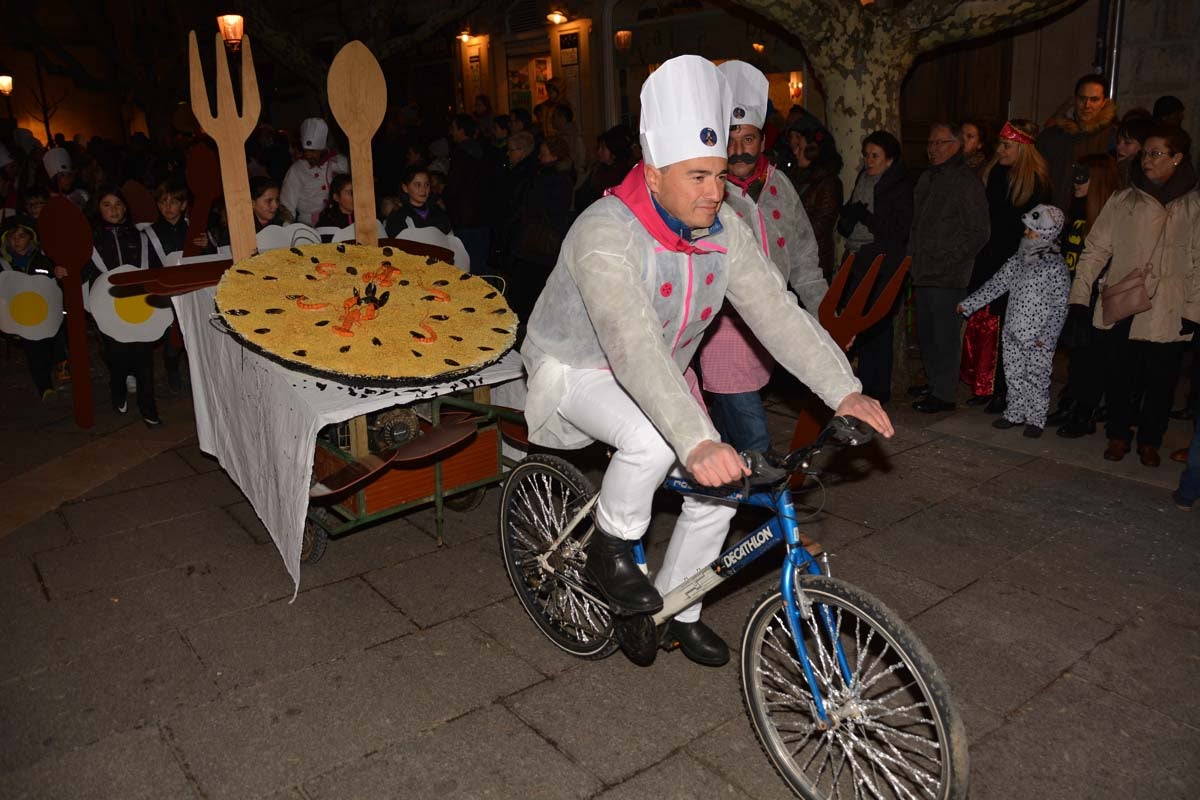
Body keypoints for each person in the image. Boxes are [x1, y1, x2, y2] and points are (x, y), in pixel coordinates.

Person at [520, 55, 891, 668]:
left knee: (723, 487)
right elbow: (630, 342)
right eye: (697, 177)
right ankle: (609, 545)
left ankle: (676, 609)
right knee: (656, 441)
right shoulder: (603, 231)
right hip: (576, 366)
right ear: (653, 171)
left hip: (656, 373)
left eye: (718, 175)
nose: (715, 192)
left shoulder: (722, 229)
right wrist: (693, 438)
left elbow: (775, 310)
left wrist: (842, 390)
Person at [699, 60, 827, 452]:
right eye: (730, 140)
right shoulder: (707, 191)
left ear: (763, 140)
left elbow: (804, 255)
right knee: (755, 437)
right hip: (725, 326)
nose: (738, 150)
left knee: (724, 423)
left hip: (770, 322)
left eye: (748, 139)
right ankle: (771, 497)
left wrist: (826, 315)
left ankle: (714, 492)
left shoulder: (779, 183)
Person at [1069, 126, 1200, 467]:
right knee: (1120, 374)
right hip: (1126, 299)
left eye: (1156, 153)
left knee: (1161, 379)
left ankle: (1150, 440)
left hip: (1169, 306)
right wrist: (1080, 297)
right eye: (1146, 153)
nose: (1147, 160)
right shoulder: (1124, 198)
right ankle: (1117, 434)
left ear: (1177, 158)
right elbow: (1096, 248)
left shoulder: (1193, 205)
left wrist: (1194, 308)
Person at [960, 120, 1052, 413]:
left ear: (1023, 148)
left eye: (1007, 145)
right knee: (986, 324)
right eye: (1000, 144)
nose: (1000, 150)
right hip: (989, 259)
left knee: (1010, 328)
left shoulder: (1036, 182)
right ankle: (984, 385)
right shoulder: (994, 174)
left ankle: (1007, 389)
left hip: (1017, 263)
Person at [958, 205, 1070, 437]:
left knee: (1036, 377)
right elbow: (997, 284)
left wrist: (1048, 336)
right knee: (1013, 374)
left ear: (1048, 235)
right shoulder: (1018, 260)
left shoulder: (1055, 267)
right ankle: (1015, 412)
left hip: (1038, 337)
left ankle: (1036, 418)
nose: (1027, 234)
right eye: (1027, 230)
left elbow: (1060, 307)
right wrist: (970, 303)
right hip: (1012, 331)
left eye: (1033, 231)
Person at [909, 123, 991, 413]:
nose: (933, 148)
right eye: (930, 143)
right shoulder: (928, 178)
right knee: (928, 335)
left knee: (944, 337)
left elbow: (979, 231)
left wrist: (950, 258)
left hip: (948, 274)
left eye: (940, 143)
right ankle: (934, 383)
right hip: (923, 270)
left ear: (956, 145)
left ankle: (944, 393)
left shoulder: (965, 180)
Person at [836, 130, 914, 402]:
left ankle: (878, 389)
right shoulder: (864, 179)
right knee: (855, 322)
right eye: (867, 155)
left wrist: (865, 216)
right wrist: (848, 217)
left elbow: (896, 231)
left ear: (890, 159)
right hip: (857, 257)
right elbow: (848, 216)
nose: (869, 161)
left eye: (875, 156)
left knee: (877, 326)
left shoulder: (899, 186)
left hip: (882, 263)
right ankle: (861, 384)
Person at [1049, 153, 1120, 437]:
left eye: (1083, 177)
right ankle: (1071, 403)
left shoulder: (1108, 217)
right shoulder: (1078, 211)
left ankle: (1084, 413)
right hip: (1072, 292)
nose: (1075, 183)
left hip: (1094, 297)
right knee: (1076, 356)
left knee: (1091, 358)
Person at [85, 187, 161, 426]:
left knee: (143, 359)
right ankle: (117, 388)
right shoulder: (90, 240)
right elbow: (81, 271)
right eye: (107, 204)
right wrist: (64, 270)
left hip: (138, 304)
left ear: (125, 207)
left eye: (118, 204)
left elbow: (156, 266)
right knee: (117, 357)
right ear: (98, 208)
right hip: (107, 307)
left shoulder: (140, 236)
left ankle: (148, 408)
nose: (113, 209)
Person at [506, 136, 575, 342]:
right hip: (536, 243)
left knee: (531, 289)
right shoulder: (546, 175)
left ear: (554, 156)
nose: (540, 157)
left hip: (540, 243)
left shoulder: (555, 178)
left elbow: (552, 209)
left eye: (544, 154)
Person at [0, 220, 64, 399]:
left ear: (31, 238)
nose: (17, 241)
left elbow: (56, 285)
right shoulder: (4, 265)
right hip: (21, 317)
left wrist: (59, 274)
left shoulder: (43, 260)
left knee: (48, 346)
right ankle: (45, 386)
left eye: (21, 236)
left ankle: (59, 362)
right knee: (34, 351)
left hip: (46, 313)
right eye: (12, 237)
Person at [1037, 74, 1118, 212]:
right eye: (1082, 98)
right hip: (1052, 214)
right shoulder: (1053, 135)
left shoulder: (1113, 137)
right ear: (1075, 100)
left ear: (1104, 102)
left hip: (1092, 216)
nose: (1087, 105)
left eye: (1094, 99)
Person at [786, 127, 842, 281]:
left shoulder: (828, 183)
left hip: (814, 261)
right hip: (797, 257)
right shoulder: (801, 177)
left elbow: (821, 224)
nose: (795, 152)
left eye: (800, 148)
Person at [444, 114, 491, 273]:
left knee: (467, 264)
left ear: (461, 130)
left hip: (464, 218)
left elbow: (453, 188)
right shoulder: (485, 151)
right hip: (483, 216)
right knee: (480, 262)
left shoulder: (461, 155)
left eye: (454, 128)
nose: (451, 132)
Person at [279, 118, 348, 226]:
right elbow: (287, 203)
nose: (308, 155)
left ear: (323, 148)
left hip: (340, 220)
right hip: (309, 225)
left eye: (312, 151)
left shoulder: (340, 162)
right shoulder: (297, 170)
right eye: (305, 151)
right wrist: (287, 227)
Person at [574, 125, 634, 212]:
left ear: (614, 151)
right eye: (599, 147)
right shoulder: (597, 170)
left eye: (603, 148)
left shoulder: (624, 175)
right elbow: (581, 197)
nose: (599, 151)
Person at [385, 165, 452, 237]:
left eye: (427, 184)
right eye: (417, 185)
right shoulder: (398, 216)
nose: (423, 189)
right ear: (405, 188)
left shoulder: (437, 211)